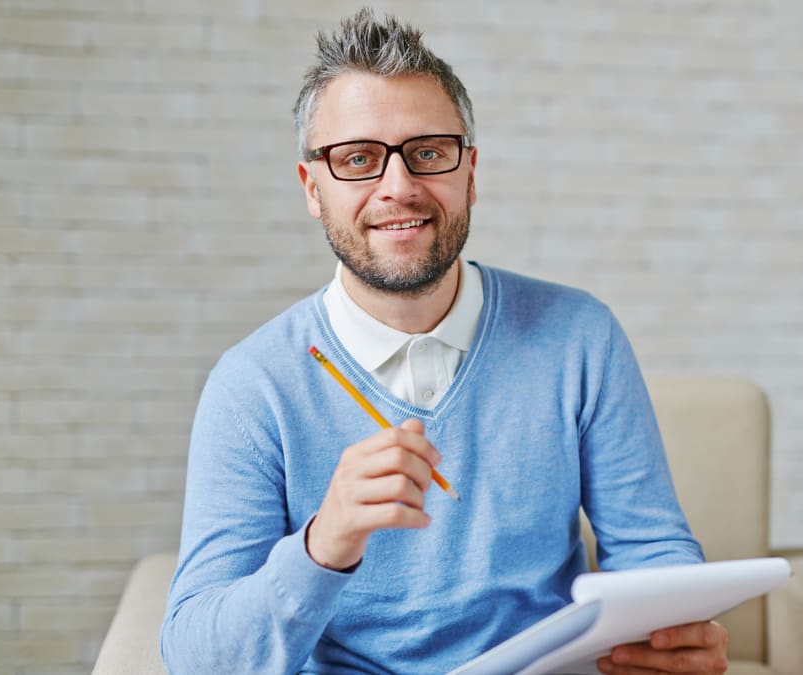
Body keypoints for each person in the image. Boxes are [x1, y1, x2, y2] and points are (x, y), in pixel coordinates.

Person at [161, 8, 729, 674]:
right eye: (359, 159)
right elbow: (197, 656)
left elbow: (654, 553)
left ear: (470, 174)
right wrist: (324, 543)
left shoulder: (580, 337)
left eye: (428, 152)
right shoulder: (252, 384)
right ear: (312, 187)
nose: (398, 187)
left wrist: (675, 633)